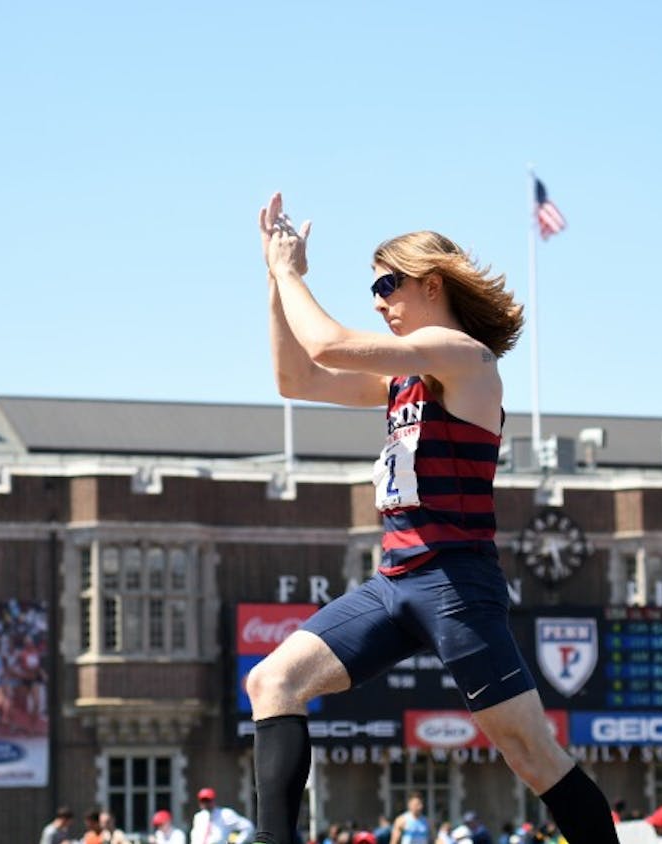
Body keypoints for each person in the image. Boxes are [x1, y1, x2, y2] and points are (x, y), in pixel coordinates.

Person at [246, 192, 615, 844]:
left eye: (388, 285)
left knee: (533, 755)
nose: (379, 302)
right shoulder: (403, 378)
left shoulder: (459, 353)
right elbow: (294, 379)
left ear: (431, 282)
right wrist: (275, 281)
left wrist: (289, 272)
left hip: (454, 585)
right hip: (393, 585)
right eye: (373, 291)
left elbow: (327, 346)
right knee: (273, 681)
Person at [191, 787, 255, 844]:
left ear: (213, 800)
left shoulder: (225, 814)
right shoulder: (198, 817)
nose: (205, 803)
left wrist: (238, 841)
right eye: (203, 801)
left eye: (208, 800)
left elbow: (248, 827)